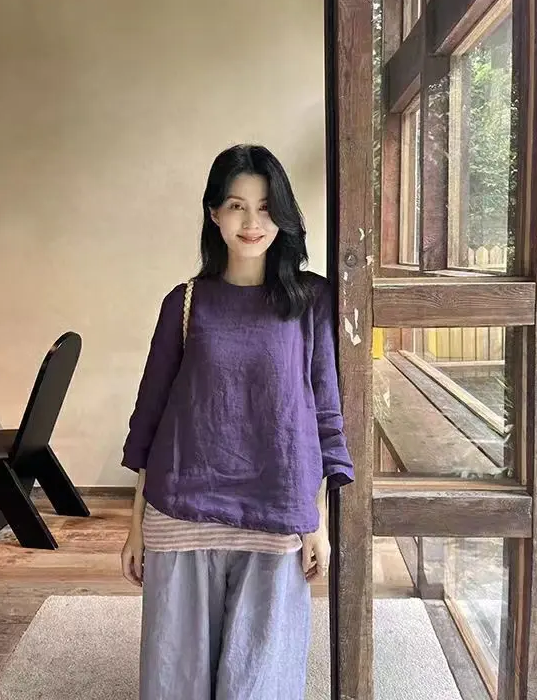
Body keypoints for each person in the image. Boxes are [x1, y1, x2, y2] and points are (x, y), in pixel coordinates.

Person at [121, 144, 354, 700]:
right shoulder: (184, 303)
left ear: (284, 214)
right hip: (180, 511)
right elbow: (150, 417)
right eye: (236, 205)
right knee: (175, 682)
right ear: (214, 213)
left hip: (277, 511)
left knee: (259, 684)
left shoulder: (310, 300)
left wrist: (316, 521)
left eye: (266, 207)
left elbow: (324, 412)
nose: (252, 222)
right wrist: (135, 526)